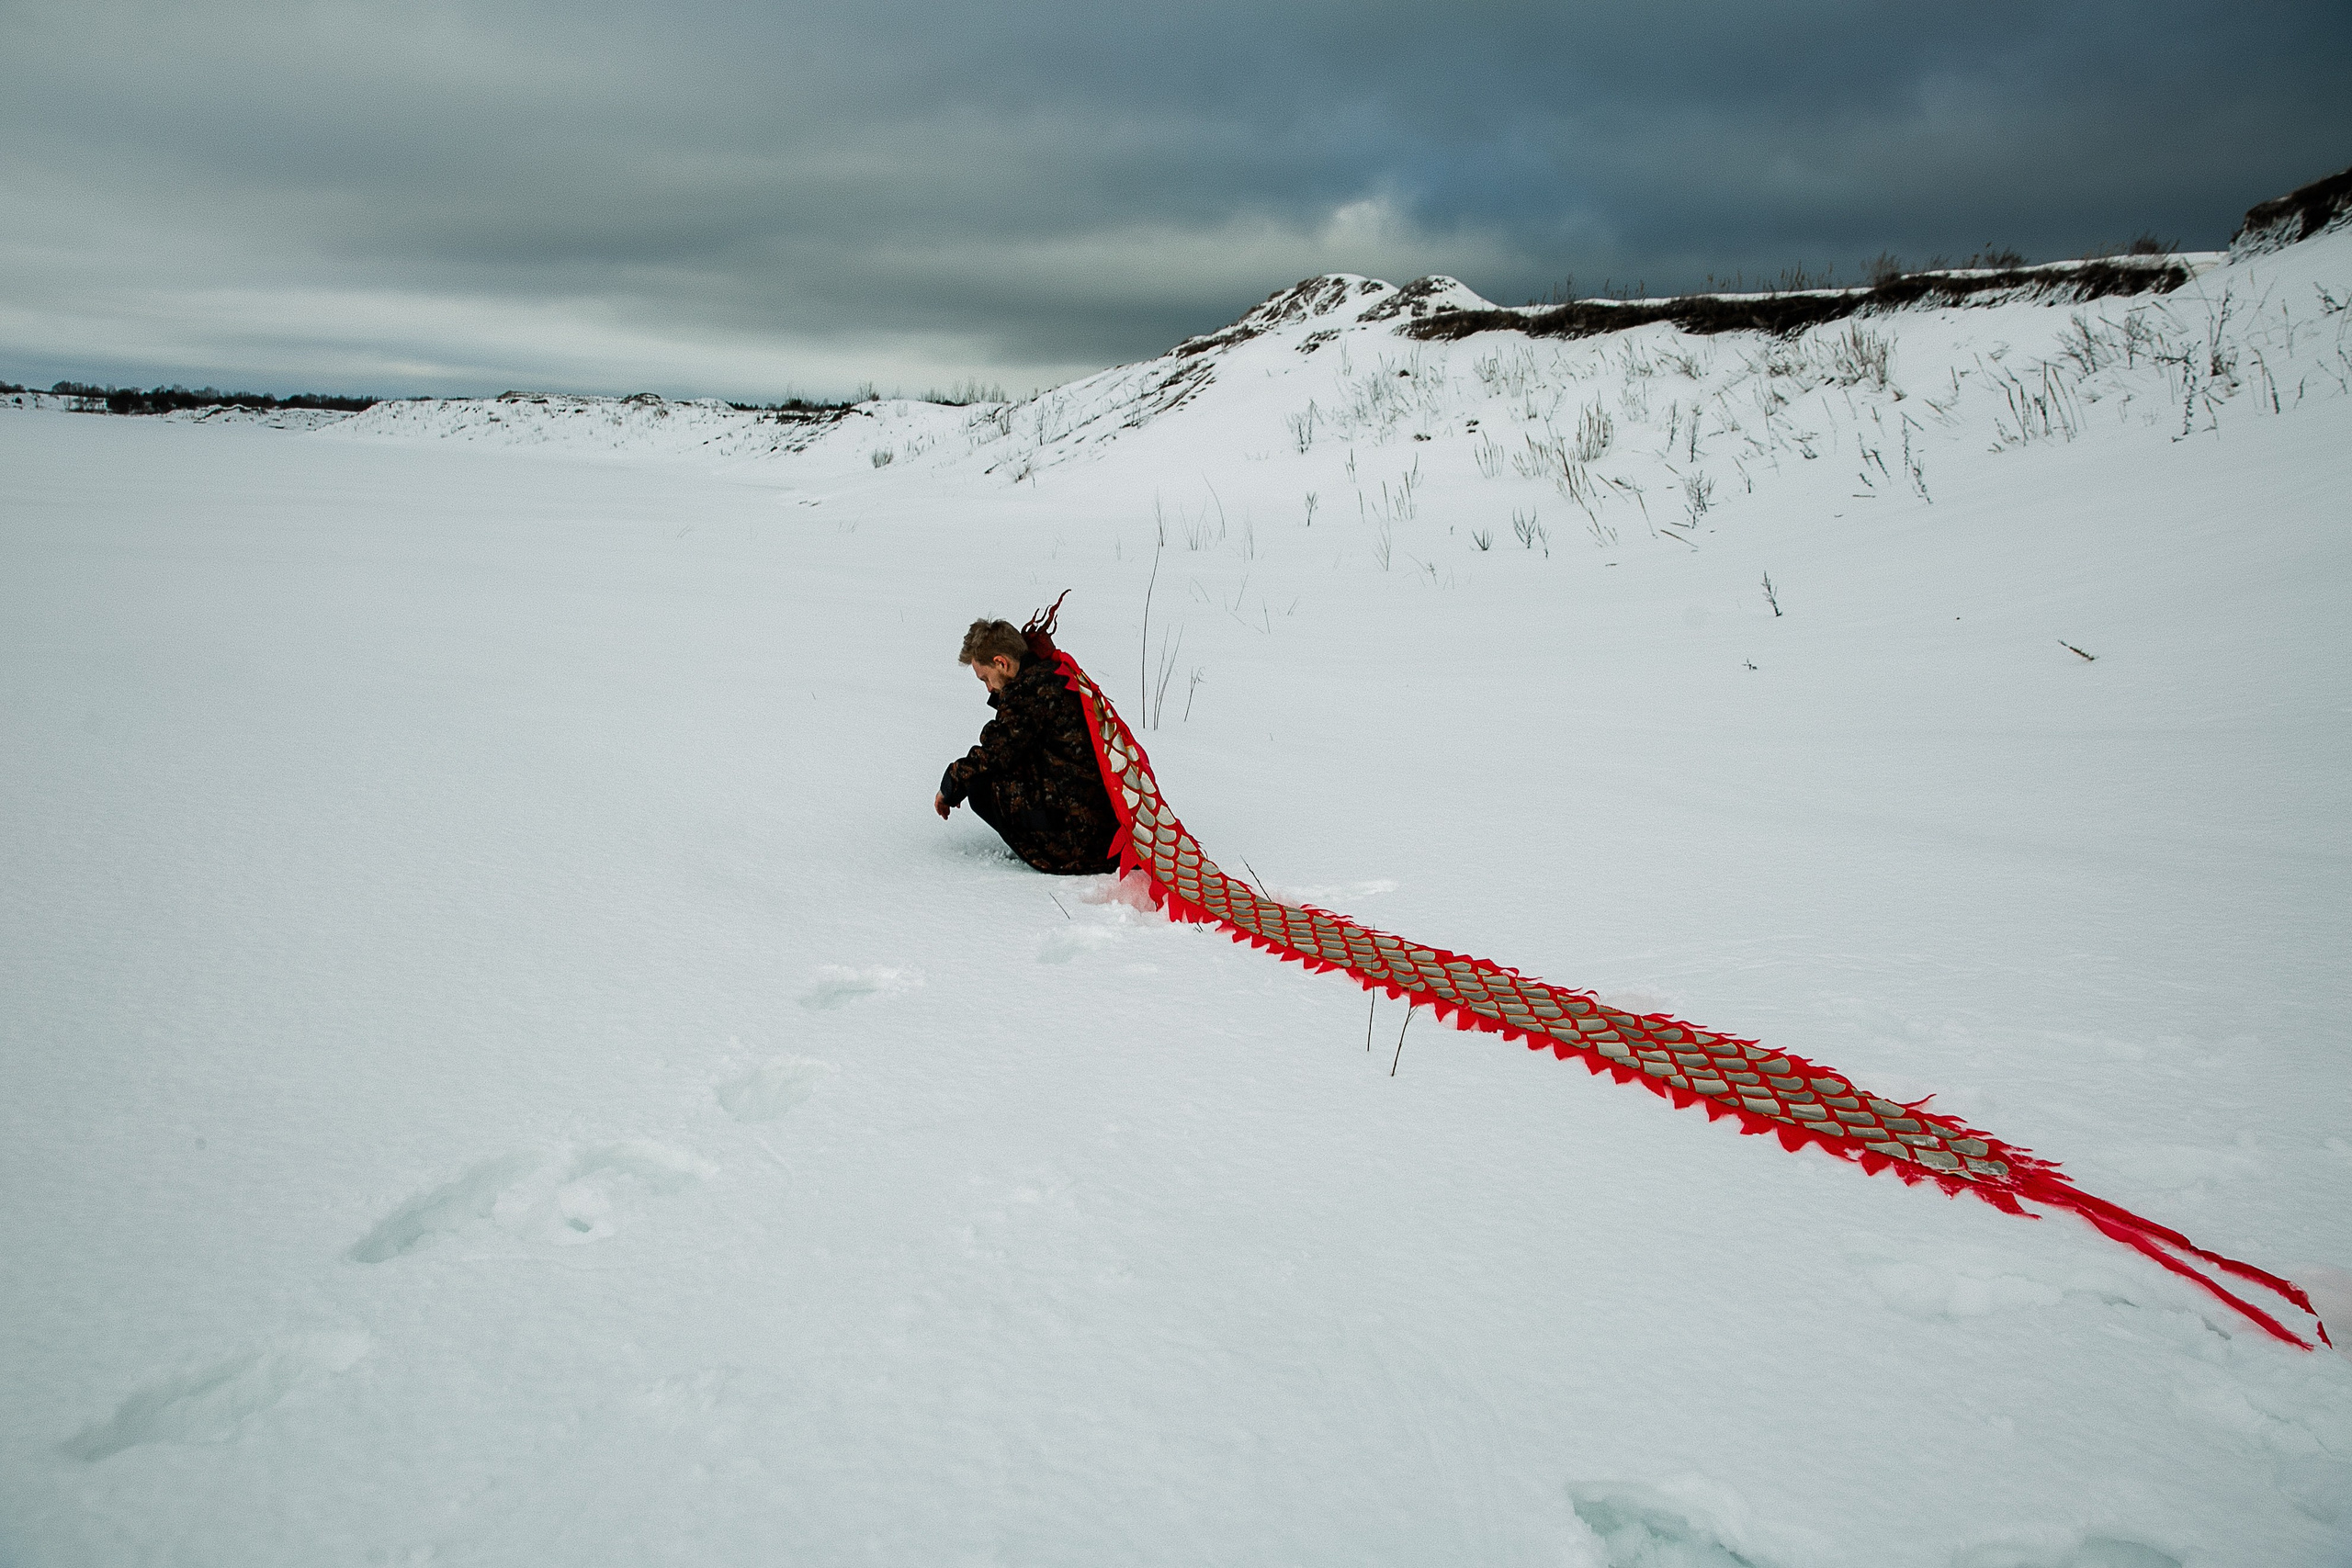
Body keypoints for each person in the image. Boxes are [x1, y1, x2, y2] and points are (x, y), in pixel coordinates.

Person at [933, 616, 1123, 875]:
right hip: (1101, 826)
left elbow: (995, 754)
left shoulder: (1028, 692)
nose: (989, 688)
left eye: (985, 678)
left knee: (979, 785)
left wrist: (951, 784)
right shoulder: (1048, 674)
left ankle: (1051, 853)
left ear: (1001, 662)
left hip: (1084, 843)